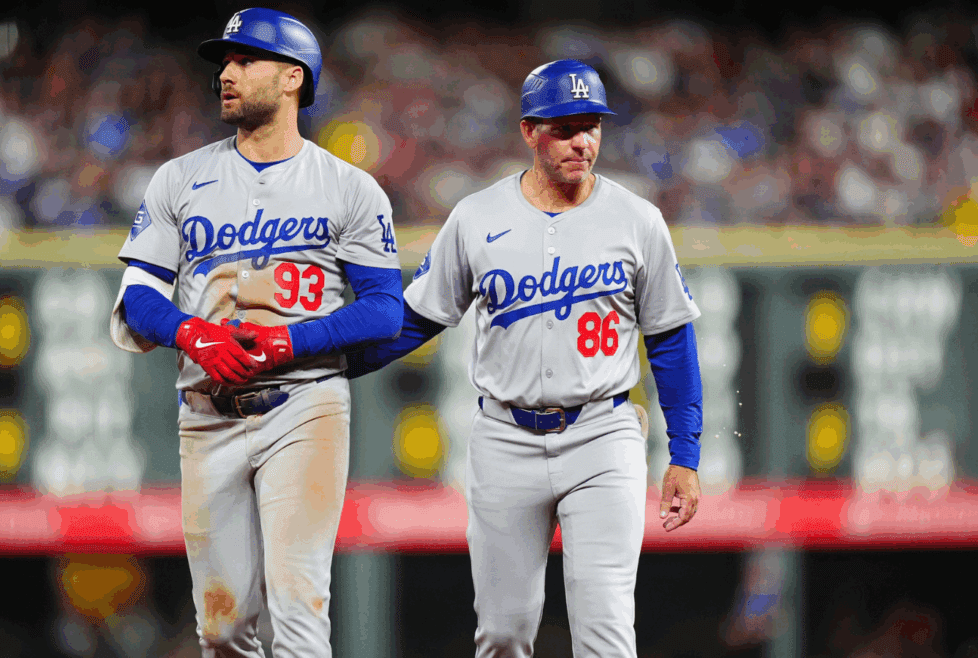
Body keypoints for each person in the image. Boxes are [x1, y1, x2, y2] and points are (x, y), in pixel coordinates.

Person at [347, 59, 703, 657]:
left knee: (608, 629)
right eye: (565, 128)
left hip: (602, 432)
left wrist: (685, 454)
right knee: (504, 633)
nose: (582, 141)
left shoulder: (638, 220)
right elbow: (419, 318)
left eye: (591, 125)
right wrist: (330, 363)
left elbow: (670, 338)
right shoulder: (477, 217)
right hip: (505, 437)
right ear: (529, 132)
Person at [107, 8, 403, 657]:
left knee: (299, 608)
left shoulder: (348, 186)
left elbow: (385, 309)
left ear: (294, 77)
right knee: (223, 627)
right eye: (224, 62)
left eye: (246, 60)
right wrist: (193, 334)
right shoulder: (178, 179)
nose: (227, 74)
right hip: (207, 410)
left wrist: (288, 343)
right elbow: (137, 298)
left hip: (305, 405)